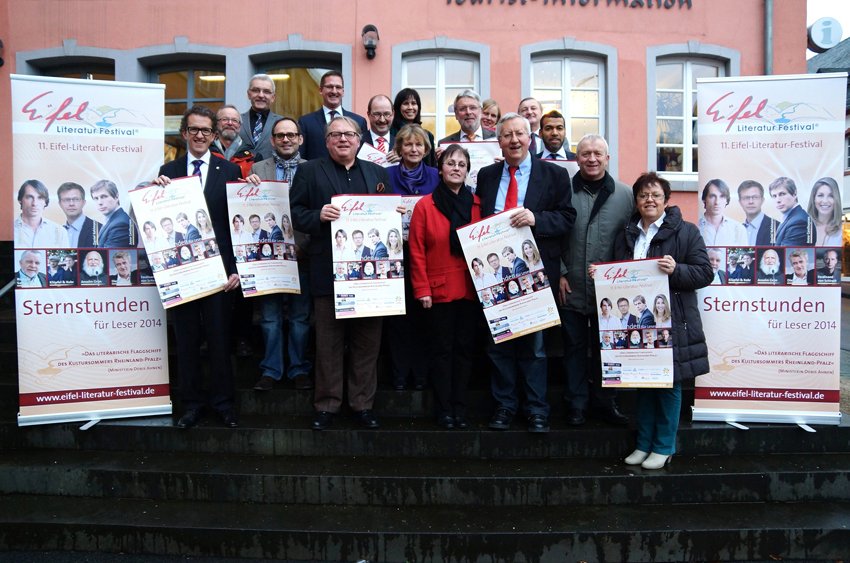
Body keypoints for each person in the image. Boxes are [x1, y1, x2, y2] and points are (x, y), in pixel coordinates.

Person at [290, 115, 392, 431]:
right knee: (328, 343)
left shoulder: (378, 173)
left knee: (367, 343)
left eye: (349, 134)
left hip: (370, 278)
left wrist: (393, 213)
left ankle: (363, 404)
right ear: (326, 140)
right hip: (327, 273)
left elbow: (386, 216)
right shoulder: (308, 171)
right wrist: (317, 215)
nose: (343, 139)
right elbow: (293, 213)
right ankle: (327, 405)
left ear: (360, 139)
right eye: (336, 135)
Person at [476, 112, 575, 433]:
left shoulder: (555, 175)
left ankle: (536, 410)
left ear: (530, 138)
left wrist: (536, 219)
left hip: (534, 274)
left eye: (520, 134)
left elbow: (566, 219)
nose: (514, 140)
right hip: (494, 275)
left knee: (534, 346)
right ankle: (504, 406)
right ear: (499, 142)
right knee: (498, 344)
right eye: (507, 135)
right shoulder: (487, 176)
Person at [613, 171, 712, 470]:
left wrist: (677, 269)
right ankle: (644, 444)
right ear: (636, 201)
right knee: (642, 385)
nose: (649, 200)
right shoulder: (627, 234)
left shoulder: (686, 232)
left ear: (666, 200)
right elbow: (618, 273)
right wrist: (603, 274)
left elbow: (705, 273)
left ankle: (664, 446)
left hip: (673, 322)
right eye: (643, 195)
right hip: (638, 325)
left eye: (656, 195)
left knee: (668, 385)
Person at [154, 105, 243, 429]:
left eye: (207, 130)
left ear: (214, 135)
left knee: (220, 340)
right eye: (194, 130)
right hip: (182, 272)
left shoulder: (230, 171)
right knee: (187, 340)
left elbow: (235, 225)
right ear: (184, 134)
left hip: (219, 273)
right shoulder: (168, 171)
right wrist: (156, 192)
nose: (201, 135)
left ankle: (223, 404)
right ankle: (190, 404)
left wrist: (235, 269)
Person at [559, 133, 634, 427]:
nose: (591, 159)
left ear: (607, 158)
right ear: (576, 158)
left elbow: (632, 240)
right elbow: (553, 236)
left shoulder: (626, 195)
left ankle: (605, 402)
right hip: (572, 285)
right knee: (574, 349)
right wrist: (562, 273)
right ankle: (576, 403)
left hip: (610, 292)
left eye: (597, 154)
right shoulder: (563, 191)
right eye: (585, 153)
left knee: (608, 348)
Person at [408, 143, 479, 424]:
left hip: (470, 289)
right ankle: (443, 408)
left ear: (467, 171)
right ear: (440, 168)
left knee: (464, 351)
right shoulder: (426, 205)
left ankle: (460, 407)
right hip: (437, 291)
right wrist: (421, 288)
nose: (456, 168)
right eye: (451, 163)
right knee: (441, 351)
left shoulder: (477, 205)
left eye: (462, 164)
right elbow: (416, 250)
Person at [298, 71, 368, 161]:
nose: (334, 91)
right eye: (329, 87)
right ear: (320, 90)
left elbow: (363, 156)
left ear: (343, 92)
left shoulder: (359, 121)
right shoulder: (305, 122)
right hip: (317, 174)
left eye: (338, 87)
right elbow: (301, 158)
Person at [238, 74, 282, 162]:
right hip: (239, 173)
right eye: (256, 90)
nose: (261, 95)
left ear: (273, 97)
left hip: (270, 174)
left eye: (266, 91)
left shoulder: (282, 123)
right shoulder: (236, 121)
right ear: (248, 94)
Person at [386, 124, 440, 196]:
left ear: (425, 149)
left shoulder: (436, 175)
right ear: (400, 149)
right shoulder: (386, 174)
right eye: (408, 144)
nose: (414, 150)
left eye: (418, 144)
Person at [14, 179, 67, 248]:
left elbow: (64, 258)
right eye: (29, 197)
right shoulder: (8, 230)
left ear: (45, 202)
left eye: (40, 198)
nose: (34, 203)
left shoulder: (59, 232)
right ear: (20, 200)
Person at [390, 88, 437, 167]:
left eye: (414, 103)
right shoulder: (390, 133)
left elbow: (431, 166)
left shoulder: (428, 135)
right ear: (398, 107)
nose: (410, 107)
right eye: (405, 103)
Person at [698, 179, 747, 246]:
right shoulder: (694, 227)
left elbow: (743, 255)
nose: (717, 202)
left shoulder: (738, 229)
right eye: (712, 196)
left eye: (722, 197)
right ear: (704, 199)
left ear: (726, 200)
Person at [770, 177, 816, 246]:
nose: (778, 200)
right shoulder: (790, 218)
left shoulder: (799, 222)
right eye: (774, 196)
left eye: (782, 194)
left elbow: (785, 254)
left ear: (794, 194)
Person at [90, 179, 136, 248]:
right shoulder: (112, 220)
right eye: (96, 198)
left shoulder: (121, 224)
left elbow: (109, 256)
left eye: (104, 197)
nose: (99, 202)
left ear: (116, 197)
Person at [211, 104, 255, 176]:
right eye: (225, 119)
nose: (230, 123)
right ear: (216, 124)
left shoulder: (253, 155)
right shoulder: (206, 152)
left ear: (239, 126)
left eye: (234, 120)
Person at [57, 181, 102, 248]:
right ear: (60, 204)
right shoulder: (56, 232)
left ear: (83, 202)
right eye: (66, 200)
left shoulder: (99, 229)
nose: (71, 204)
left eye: (76, 199)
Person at [738, 180, 778, 246]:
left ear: (762, 200)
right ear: (740, 202)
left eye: (755, 197)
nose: (751, 201)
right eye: (746, 198)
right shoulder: (735, 230)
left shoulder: (777, 228)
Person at [807, 177, 842, 247]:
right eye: (820, 195)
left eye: (831, 196)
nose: (825, 201)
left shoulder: (845, 229)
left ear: (836, 199)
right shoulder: (804, 227)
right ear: (813, 199)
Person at [360, 94, 396, 160]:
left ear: (393, 114)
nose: (382, 120)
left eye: (386, 114)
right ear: (368, 115)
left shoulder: (400, 145)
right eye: (377, 114)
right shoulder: (357, 142)